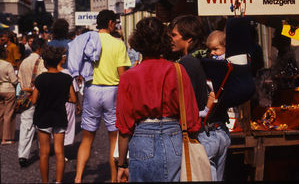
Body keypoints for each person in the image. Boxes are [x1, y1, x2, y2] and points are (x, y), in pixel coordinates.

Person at [116, 17, 201, 182]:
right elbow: (191, 117)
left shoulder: (129, 77)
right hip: (174, 138)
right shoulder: (177, 70)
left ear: (138, 42)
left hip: (142, 138)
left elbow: (124, 127)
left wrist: (121, 164)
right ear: (165, 40)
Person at [169, 15, 230, 181]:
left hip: (203, 134)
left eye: (174, 35)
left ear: (188, 38)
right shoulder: (208, 57)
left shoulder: (187, 63)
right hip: (221, 132)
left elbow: (187, 103)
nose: (171, 39)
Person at [74, 10, 131, 183]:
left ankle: (77, 178)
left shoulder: (87, 41)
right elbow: (123, 75)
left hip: (91, 90)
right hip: (112, 91)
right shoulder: (118, 44)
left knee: (87, 138)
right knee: (114, 138)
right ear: (111, 23)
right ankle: (114, 179)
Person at [31, 46, 77, 183]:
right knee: (60, 153)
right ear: (59, 61)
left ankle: (45, 181)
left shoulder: (40, 79)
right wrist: (63, 98)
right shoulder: (66, 78)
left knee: (44, 153)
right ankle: (58, 181)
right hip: (59, 116)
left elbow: (34, 101)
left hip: (43, 116)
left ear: (45, 62)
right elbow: (73, 99)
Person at [17, 38, 47, 167]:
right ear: (40, 48)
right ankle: (43, 149)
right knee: (41, 125)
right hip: (38, 97)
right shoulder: (41, 62)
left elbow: (19, 80)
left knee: (26, 126)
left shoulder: (24, 61)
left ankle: (23, 155)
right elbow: (43, 80)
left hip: (25, 97)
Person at [57, 50, 81, 158]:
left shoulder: (47, 73)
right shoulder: (67, 73)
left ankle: (59, 149)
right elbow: (75, 90)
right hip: (68, 102)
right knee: (68, 126)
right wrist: (78, 104)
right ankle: (62, 150)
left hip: (54, 103)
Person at [0, 46, 18, 145]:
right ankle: (6, 138)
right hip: (8, 89)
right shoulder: (7, 64)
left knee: (0, 114)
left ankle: (1, 135)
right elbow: (14, 80)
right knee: (9, 114)